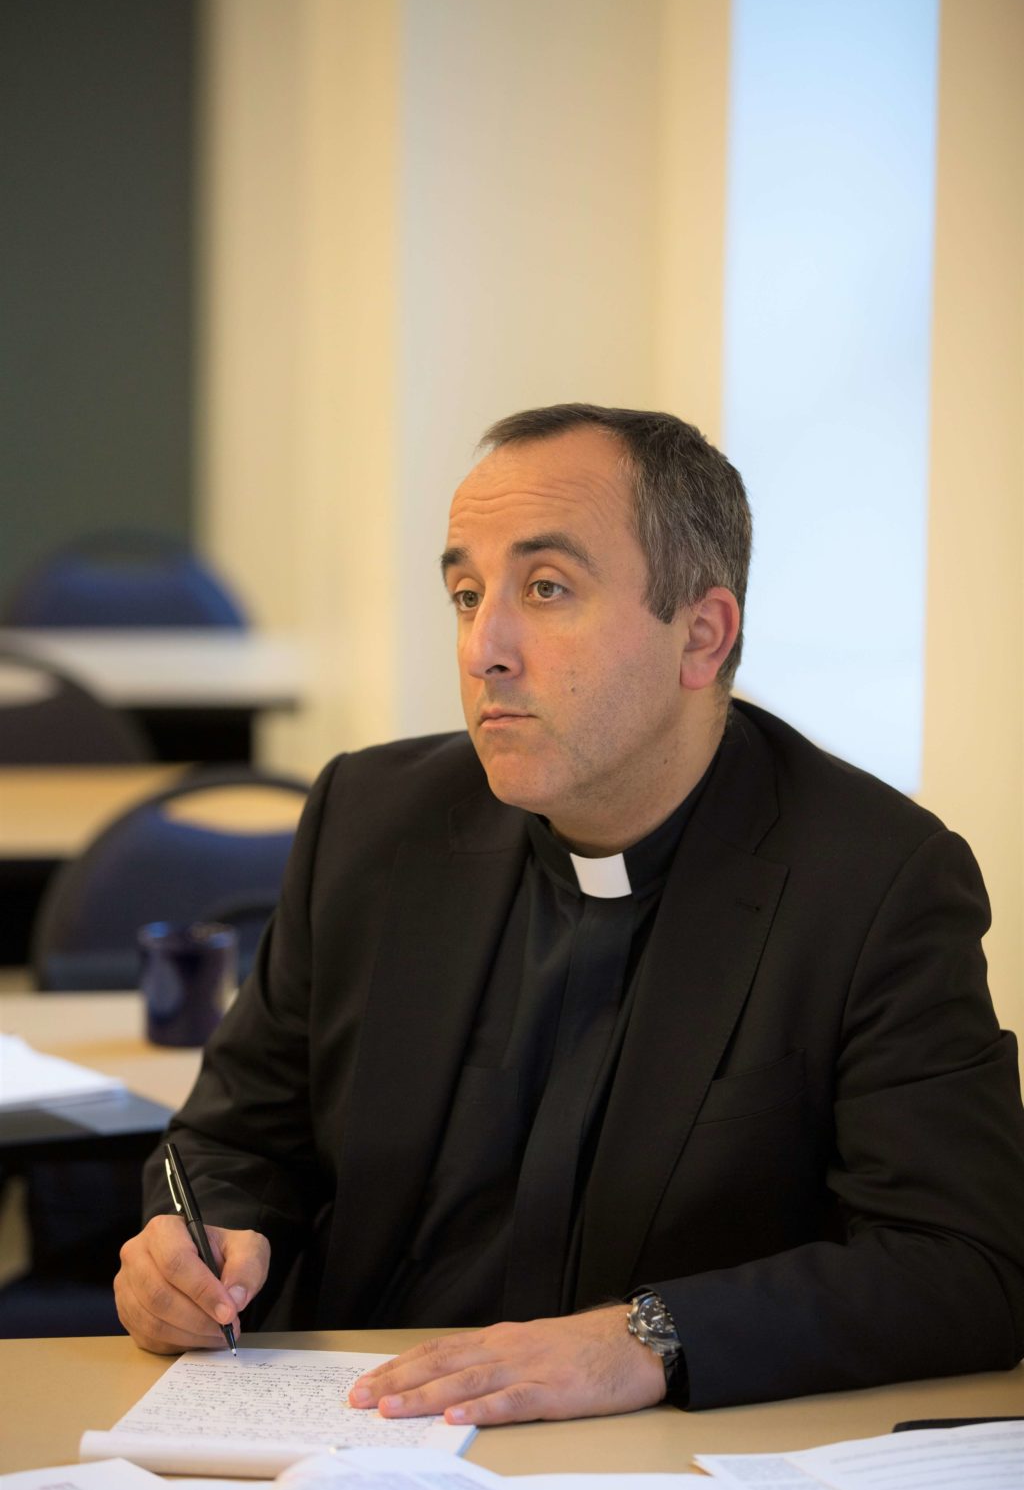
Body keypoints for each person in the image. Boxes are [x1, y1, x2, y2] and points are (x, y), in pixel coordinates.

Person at [115, 405, 1024, 1423]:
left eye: (546, 591)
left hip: (648, 1460)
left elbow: (966, 1266)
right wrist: (197, 1252)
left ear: (702, 634)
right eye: (466, 594)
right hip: (346, 1431)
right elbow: (233, 1143)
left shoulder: (873, 880)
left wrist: (651, 1337)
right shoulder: (371, 821)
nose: (483, 648)